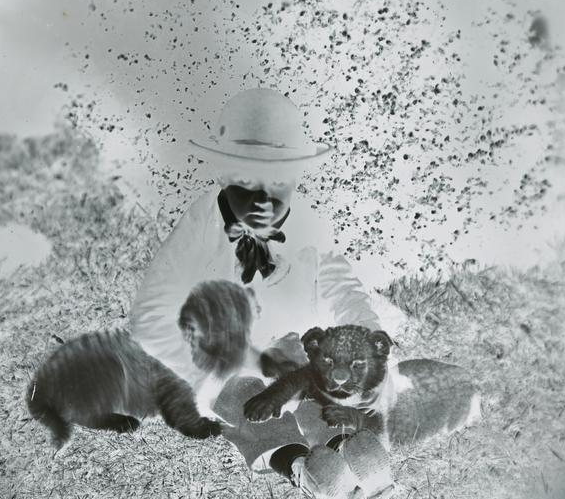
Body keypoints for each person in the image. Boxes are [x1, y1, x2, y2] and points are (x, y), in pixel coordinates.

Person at [129, 88, 383, 409]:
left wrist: (369, 352)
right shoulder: (203, 222)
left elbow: (345, 292)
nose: (262, 200)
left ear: (296, 179)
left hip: (301, 364)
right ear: (222, 176)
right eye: (247, 182)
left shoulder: (310, 224)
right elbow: (150, 315)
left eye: (278, 183)